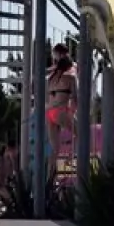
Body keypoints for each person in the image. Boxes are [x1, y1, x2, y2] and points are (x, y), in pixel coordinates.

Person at [45, 43, 78, 176]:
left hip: (49, 113)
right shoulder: (71, 77)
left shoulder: (50, 77)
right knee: (81, 133)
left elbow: (47, 99)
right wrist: (72, 113)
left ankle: (50, 176)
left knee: (54, 148)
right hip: (60, 111)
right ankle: (71, 158)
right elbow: (75, 99)